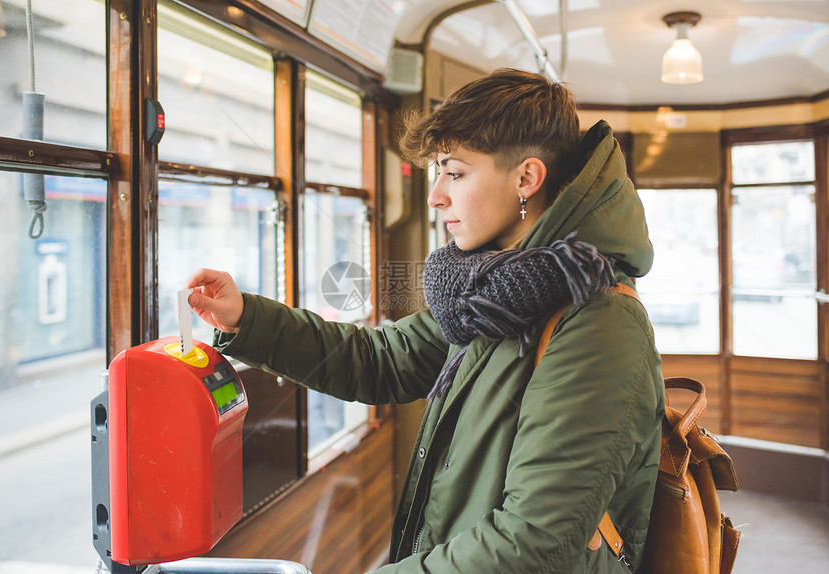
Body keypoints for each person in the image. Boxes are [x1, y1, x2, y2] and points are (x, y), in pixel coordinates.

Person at [186, 68, 664, 573]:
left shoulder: (600, 324)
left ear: (526, 177)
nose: (436, 196)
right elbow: (381, 359)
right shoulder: (498, 292)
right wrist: (247, 319)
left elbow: (533, 543)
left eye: (454, 173)